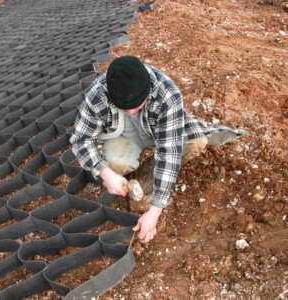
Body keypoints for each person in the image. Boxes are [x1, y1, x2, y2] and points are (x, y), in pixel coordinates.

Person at [70, 55, 244, 244]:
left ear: (148, 90)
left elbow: (169, 152)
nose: (130, 111)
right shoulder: (97, 94)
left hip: (160, 131)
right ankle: (127, 179)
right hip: (121, 134)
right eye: (124, 107)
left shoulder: (167, 93)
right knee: (115, 167)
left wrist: (155, 211)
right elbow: (80, 140)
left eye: (136, 105)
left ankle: (147, 175)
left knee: (196, 142)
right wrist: (106, 174)